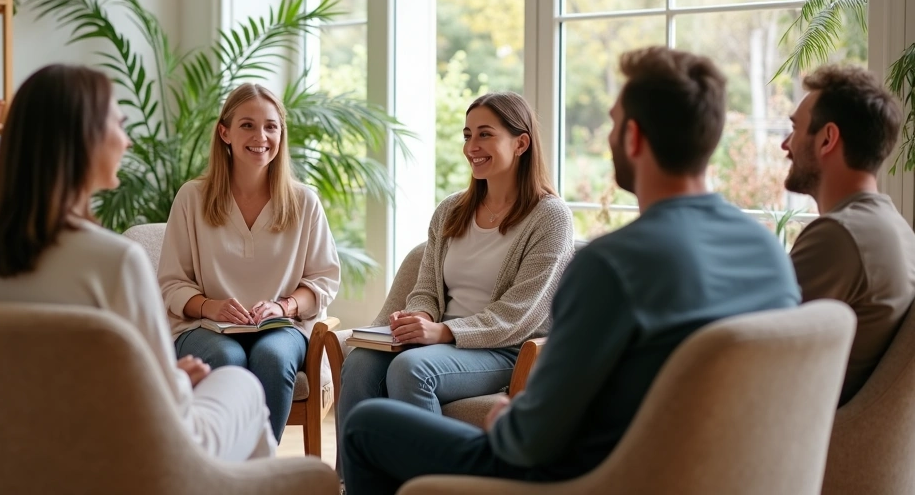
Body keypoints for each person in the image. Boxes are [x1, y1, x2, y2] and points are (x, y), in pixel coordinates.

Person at [341, 46, 801, 494]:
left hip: (585, 477)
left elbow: (534, 435)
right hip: (713, 474)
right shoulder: (769, 254)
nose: (607, 136)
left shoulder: (613, 265)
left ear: (634, 138)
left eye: (614, 124)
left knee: (367, 426)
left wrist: (510, 418)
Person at [0, 65, 276, 461]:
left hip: (4, 460)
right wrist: (174, 383)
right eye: (119, 124)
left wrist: (168, 379)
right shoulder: (115, 261)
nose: (127, 141)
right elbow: (163, 405)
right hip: (122, 460)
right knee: (242, 386)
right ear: (85, 140)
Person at [336, 92, 573, 466]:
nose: (471, 147)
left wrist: (445, 333)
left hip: (504, 348)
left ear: (521, 142)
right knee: (362, 362)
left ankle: (431, 488)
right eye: (467, 135)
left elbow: (519, 314)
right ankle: (354, 484)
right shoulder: (450, 209)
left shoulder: (550, 218)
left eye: (484, 135)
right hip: (441, 340)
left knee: (411, 369)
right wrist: (422, 319)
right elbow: (426, 289)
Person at [159, 83, 341, 442]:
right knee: (227, 360)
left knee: (273, 359)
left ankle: (260, 471)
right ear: (224, 132)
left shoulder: (305, 202)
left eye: (271, 126)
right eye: (247, 125)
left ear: (281, 133)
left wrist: (283, 306)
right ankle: (227, 471)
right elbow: (171, 284)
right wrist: (210, 307)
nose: (261, 136)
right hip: (204, 329)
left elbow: (322, 281)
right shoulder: (192, 198)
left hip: (282, 328)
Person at [782, 64, 915, 405]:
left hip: (806, 446)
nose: (786, 144)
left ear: (827, 139)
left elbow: (762, 351)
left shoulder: (838, 236)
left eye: (795, 129)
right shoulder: (897, 229)